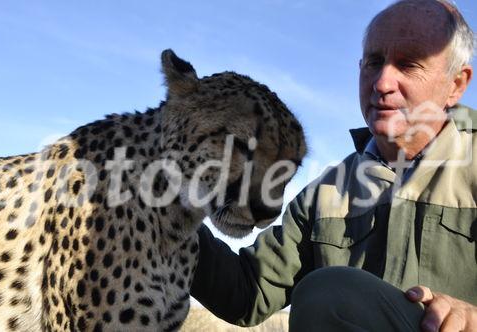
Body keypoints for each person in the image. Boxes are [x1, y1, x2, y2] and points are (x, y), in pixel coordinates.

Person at [190, 0, 477, 331]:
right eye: (373, 62)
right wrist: (164, 216)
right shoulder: (325, 192)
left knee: (328, 293)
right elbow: (246, 293)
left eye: (409, 64)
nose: (383, 83)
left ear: (456, 84)